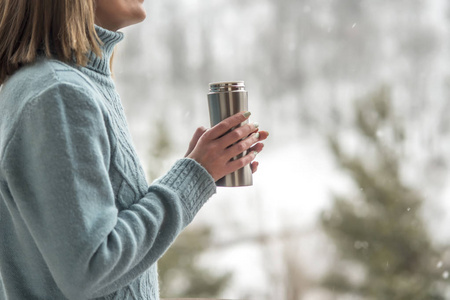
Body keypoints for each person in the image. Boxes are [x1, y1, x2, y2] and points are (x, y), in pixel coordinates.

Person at [0, 0, 268, 299]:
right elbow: (90, 268)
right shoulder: (59, 92)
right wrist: (193, 177)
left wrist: (202, 165)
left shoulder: (63, 84)